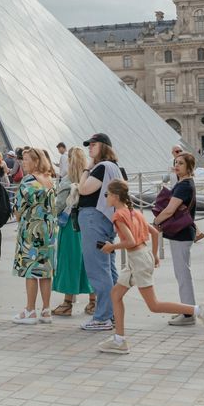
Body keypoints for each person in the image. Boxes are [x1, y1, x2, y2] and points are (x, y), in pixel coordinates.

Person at [97, 180, 204, 353]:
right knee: (116, 294)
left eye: (107, 194)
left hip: (137, 259)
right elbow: (153, 231)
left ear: (115, 196)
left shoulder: (118, 216)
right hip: (140, 257)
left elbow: (130, 241)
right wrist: (153, 255)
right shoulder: (134, 212)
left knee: (154, 305)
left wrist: (110, 247)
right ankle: (119, 339)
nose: (106, 197)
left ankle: (199, 310)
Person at [76, 133, 124, 333]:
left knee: (97, 269)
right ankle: (111, 314)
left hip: (94, 219)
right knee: (108, 269)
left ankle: (102, 317)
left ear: (104, 147)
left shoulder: (101, 167)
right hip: (105, 220)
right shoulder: (117, 168)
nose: (89, 148)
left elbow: (83, 189)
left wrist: (86, 168)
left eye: (93, 145)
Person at [152, 151, 198, 326]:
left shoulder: (183, 186)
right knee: (183, 273)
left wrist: (155, 221)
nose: (177, 165)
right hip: (184, 233)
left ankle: (188, 314)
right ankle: (187, 310)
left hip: (181, 233)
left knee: (183, 274)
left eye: (181, 163)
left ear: (189, 167)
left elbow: (170, 210)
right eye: (176, 162)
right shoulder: (185, 183)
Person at [12, 147, 58, 324]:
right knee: (45, 272)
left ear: (36, 161)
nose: (23, 162)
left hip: (31, 231)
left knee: (31, 270)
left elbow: (18, 210)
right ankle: (46, 311)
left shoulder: (28, 181)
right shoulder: (50, 180)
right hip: (49, 232)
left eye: (26, 159)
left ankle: (30, 310)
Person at [51, 147, 92, 316]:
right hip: (87, 226)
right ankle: (93, 301)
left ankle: (68, 302)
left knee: (69, 262)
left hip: (69, 227)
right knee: (88, 263)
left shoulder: (67, 181)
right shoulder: (89, 178)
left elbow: (58, 206)